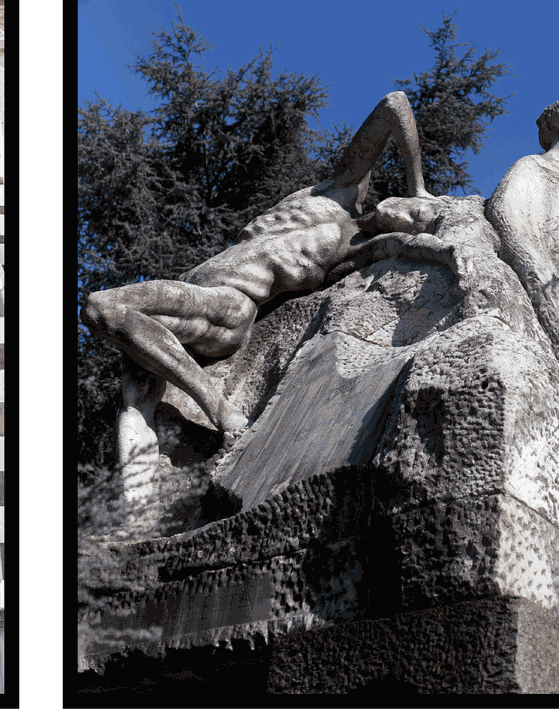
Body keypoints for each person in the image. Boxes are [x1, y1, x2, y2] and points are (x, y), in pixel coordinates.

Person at [81, 90, 442, 454]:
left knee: (103, 307)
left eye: (418, 219)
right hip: (188, 286)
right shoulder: (338, 191)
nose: (410, 212)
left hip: (227, 305)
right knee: (135, 409)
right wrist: (420, 186)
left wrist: (448, 253)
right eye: (415, 207)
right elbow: (394, 104)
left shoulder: (357, 248)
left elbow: (407, 247)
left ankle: (221, 412)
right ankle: (132, 508)